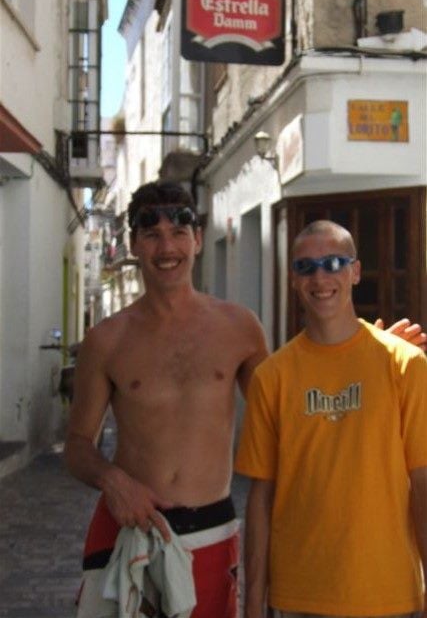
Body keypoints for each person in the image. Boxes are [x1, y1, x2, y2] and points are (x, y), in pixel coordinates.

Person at [65, 185, 426, 618]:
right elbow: (77, 445)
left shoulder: (237, 328)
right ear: (133, 244)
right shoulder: (106, 340)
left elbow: (291, 408)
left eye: (179, 232)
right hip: (127, 527)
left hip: (210, 531)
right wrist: (113, 481)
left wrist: (370, 354)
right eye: (152, 235)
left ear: (198, 239)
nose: (167, 248)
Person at [234, 220, 427, 618]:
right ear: (294, 279)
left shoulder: (405, 364)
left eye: (334, 263)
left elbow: (423, 483)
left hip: (388, 594)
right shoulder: (272, 377)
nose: (320, 277)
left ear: (355, 272)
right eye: (306, 267)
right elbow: (261, 498)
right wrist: (252, 603)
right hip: (298, 596)